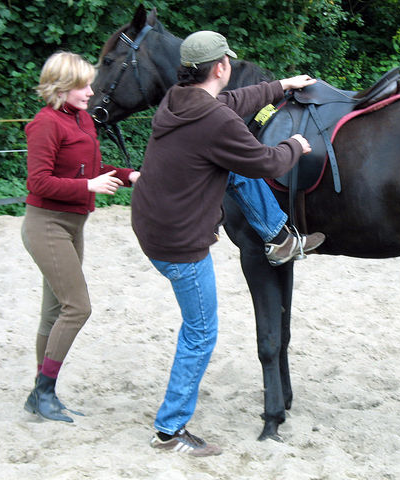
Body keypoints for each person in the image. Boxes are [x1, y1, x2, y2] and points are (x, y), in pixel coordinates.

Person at [131, 30, 323, 456]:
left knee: (233, 171)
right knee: (200, 334)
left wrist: (281, 86)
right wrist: (296, 145)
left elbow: (232, 103)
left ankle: (277, 236)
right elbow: (264, 160)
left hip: (150, 221)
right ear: (222, 67)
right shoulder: (215, 122)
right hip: (178, 242)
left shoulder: (178, 100)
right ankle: (170, 429)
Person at [21, 51, 141, 423]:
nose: (91, 91)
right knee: (78, 307)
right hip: (46, 224)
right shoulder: (45, 123)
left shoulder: (83, 120)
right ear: (62, 87)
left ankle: (41, 394)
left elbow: (91, 168)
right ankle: (43, 392)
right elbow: (37, 181)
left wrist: (128, 175)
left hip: (74, 224)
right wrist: (88, 185)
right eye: (83, 85)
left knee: (55, 310)